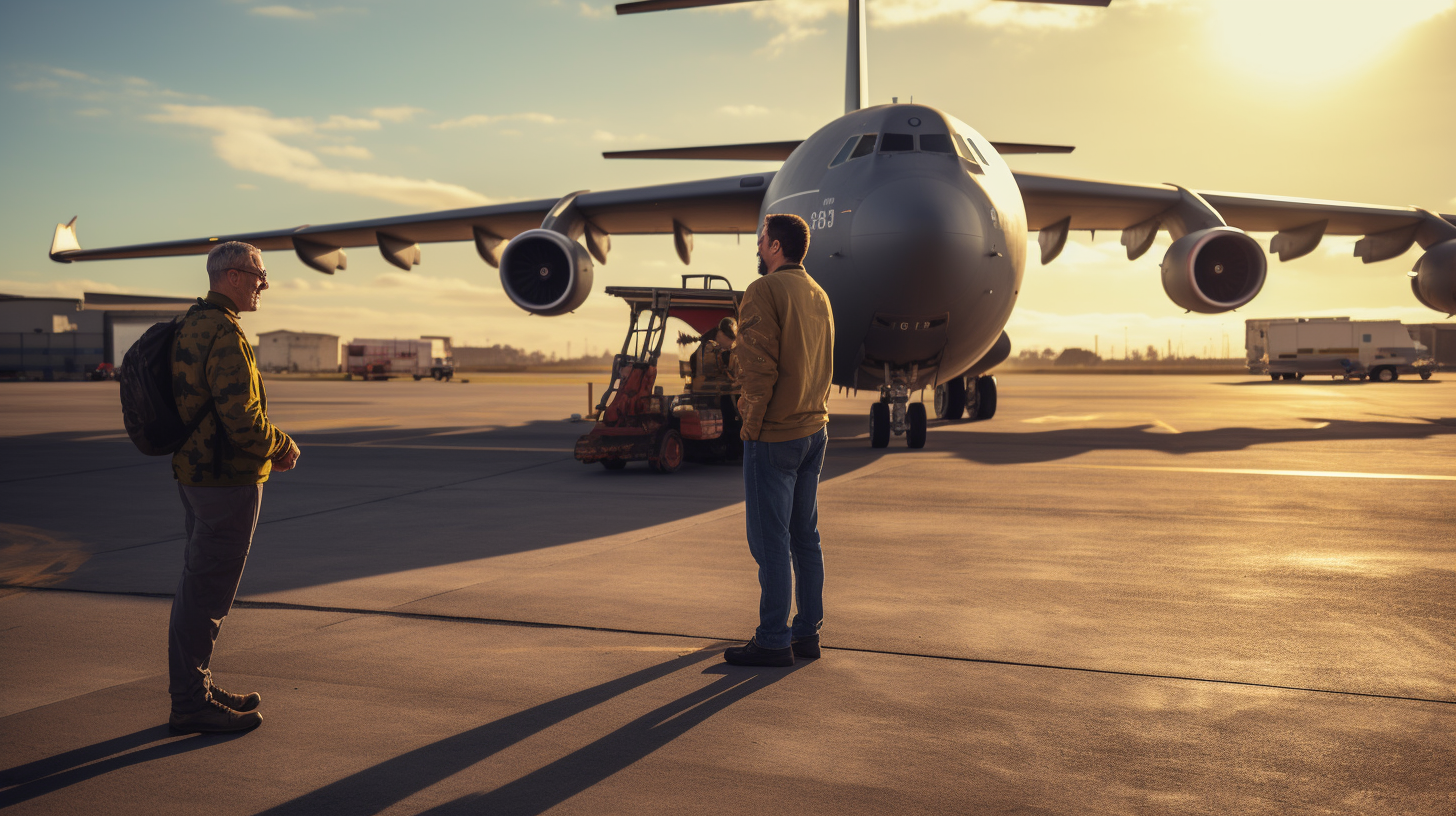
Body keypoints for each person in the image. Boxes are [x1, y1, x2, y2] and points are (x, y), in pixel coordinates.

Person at [167, 241, 300, 732]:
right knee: (206, 593)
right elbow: (242, 419)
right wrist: (281, 444)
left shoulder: (193, 324)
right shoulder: (222, 332)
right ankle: (189, 703)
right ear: (232, 275)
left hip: (196, 473)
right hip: (225, 479)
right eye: (258, 274)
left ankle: (194, 686)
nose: (264, 283)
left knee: (197, 585)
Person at [725, 213, 835, 667]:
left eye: (761, 239)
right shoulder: (818, 293)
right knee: (805, 538)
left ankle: (772, 638)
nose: (757, 246)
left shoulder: (764, 291)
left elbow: (756, 368)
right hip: (814, 429)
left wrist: (749, 427)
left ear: (775, 247)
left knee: (770, 542)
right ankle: (806, 633)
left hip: (776, 433)